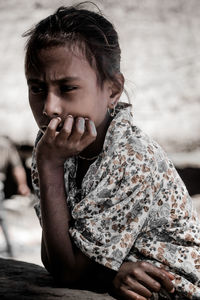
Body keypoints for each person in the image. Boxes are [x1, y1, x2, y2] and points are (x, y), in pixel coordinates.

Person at [23, 3, 200, 299]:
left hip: (170, 290)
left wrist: (49, 166)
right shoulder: (52, 148)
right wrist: (108, 276)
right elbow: (55, 260)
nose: (49, 108)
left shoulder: (132, 158)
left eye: (67, 88)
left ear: (113, 90)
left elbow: (68, 272)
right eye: (37, 88)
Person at [0, 136, 30, 256]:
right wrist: (22, 185)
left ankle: (11, 250)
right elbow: (17, 168)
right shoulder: (5, 144)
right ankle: (11, 251)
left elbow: (17, 169)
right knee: (2, 218)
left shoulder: (5, 144)